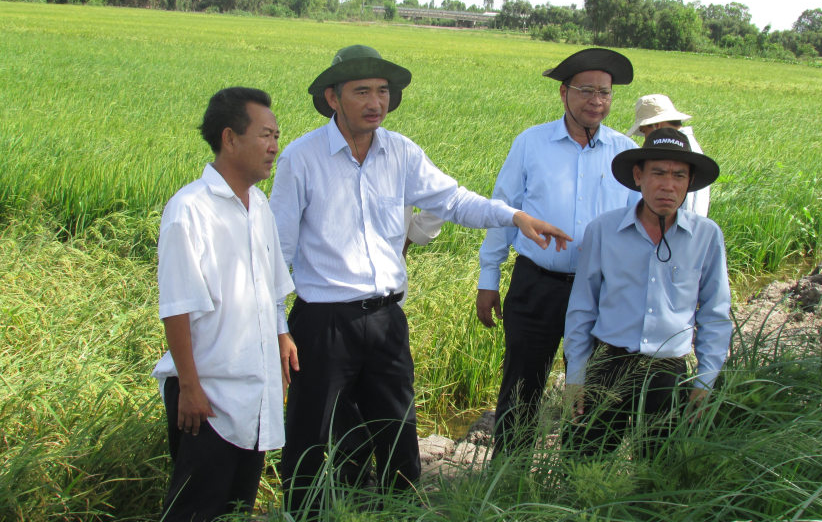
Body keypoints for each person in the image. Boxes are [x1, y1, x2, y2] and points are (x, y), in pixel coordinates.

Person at [269, 45, 571, 509]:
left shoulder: (401, 152)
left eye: (383, 91)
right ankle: (302, 514)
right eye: (362, 91)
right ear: (333, 98)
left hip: (387, 319)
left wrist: (514, 217)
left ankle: (399, 512)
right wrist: (278, 326)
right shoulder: (301, 158)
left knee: (397, 435)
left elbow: (452, 200)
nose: (376, 102)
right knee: (311, 438)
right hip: (323, 322)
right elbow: (277, 250)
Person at [476, 48, 640, 456]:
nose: (596, 101)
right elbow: (504, 210)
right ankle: (508, 480)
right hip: (537, 285)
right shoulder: (531, 144)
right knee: (521, 387)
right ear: (564, 93)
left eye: (605, 93)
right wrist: (488, 278)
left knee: (593, 391)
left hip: (603, 293)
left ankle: (577, 481)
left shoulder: (624, 154)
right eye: (586, 91)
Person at [151, 87, 296, 521]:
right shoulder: (190, 210)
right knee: (195, 511)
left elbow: (270, 289)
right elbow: (176, 307)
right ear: (230, 138)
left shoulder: (260, 206)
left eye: (277, 136)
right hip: (207, 398)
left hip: (253, 394)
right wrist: (191, 388)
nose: (274, 147)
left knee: (236, 510)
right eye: (265, 135)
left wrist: (282, 336)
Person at [564, 127, 732, 457]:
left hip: (667, 371)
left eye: (678, 176)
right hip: (607, 365)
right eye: (658, 173)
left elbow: (714, 315)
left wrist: (705, 380)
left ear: (690, 183)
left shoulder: (706, 237)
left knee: (655, 473)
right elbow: (582, 308)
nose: (668, 185)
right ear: (638, 176)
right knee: (583, 462)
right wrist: (576, 375)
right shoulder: (604, 230)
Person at [626, 94, 710, 217]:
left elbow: (687, 206)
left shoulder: (683, 151)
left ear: (657, 125)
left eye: (645, 131)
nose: (645, 139)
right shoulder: (689, 145)